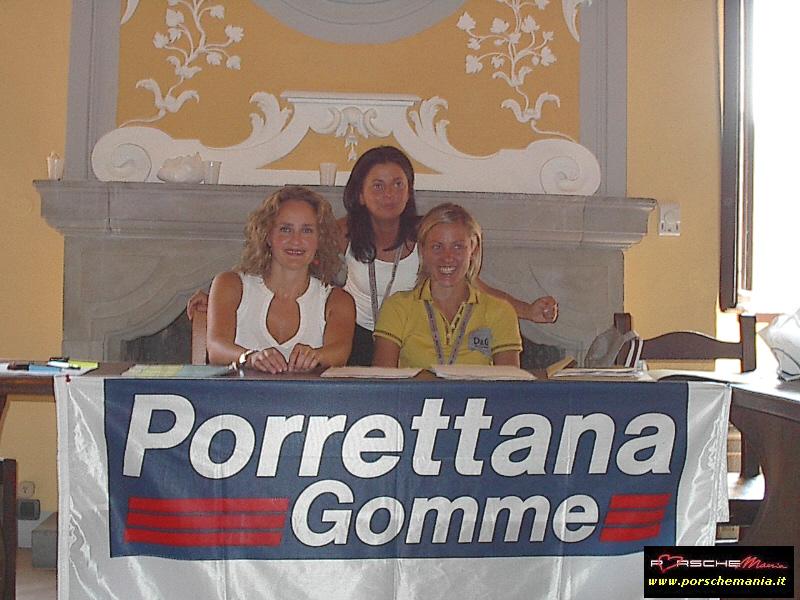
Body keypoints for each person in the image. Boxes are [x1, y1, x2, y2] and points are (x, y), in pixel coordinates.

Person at [189, 146, 557, 364]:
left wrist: (526, 310)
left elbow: (471, 280)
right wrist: (220, 293)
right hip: (355, 335)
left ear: (409, 190)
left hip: (411, 333)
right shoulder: (341, 231)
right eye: (377, 186)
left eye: (398, 184)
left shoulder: (427, 236)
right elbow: (288, 256)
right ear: (360, 193)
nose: (388, 194)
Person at [206, 186, 355, 373]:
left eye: (307, 230)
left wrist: (316, 356)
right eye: (285, 229)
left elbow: (339, 353)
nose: (296, 240)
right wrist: (249, 357)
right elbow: (215, 348)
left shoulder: (338, 300)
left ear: (320, 239)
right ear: (267, 235)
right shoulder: (230, 284)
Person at [373, 203, 521, 368]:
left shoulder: (501, 311)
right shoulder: (397, 307)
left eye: (458, 247)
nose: (447, 257)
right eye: (437, 247)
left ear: (473, 249)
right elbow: (383, 380)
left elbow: (509, 382)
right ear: (422, 250)